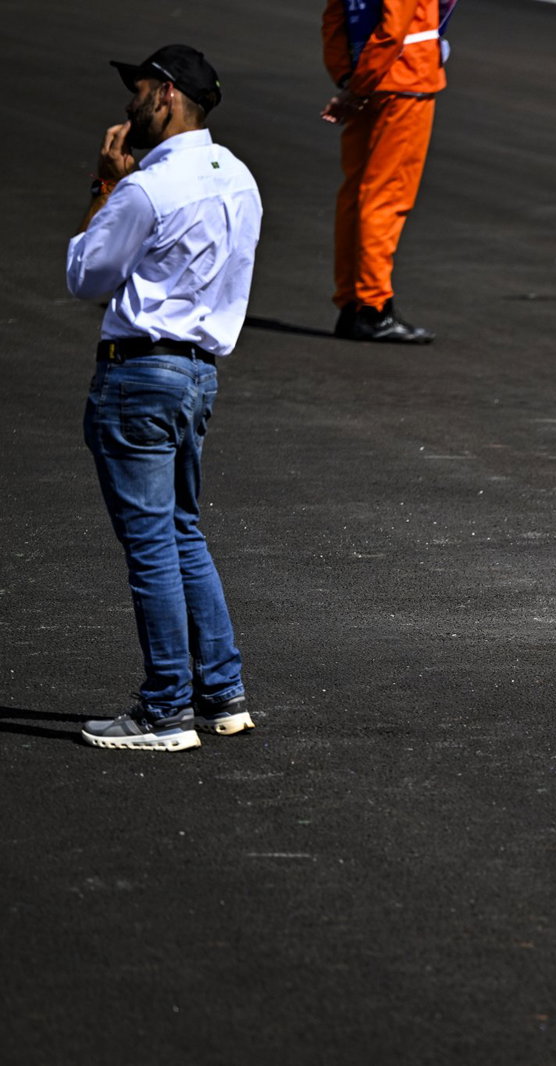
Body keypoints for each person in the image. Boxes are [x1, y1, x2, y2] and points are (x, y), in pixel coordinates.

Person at [67, 44, 263, 751]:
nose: (129, 103)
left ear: (167, 95)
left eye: (139, 88)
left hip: (140, 374)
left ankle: (164, 710)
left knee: (152, 543)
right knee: (181, 531)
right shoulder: (239, 179)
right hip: (198, 372)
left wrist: (104, 186)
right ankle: (222, 693)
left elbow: (88, 278)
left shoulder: (146, 188)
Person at [322, 0, 451, 344]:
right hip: (403, 78)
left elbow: (335, 15)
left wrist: (348, 77)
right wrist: (358, 86)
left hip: (367, 75)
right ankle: (373, 307)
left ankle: (352, 302)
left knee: (356, 193)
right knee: (386, 195)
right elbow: (394, 27)